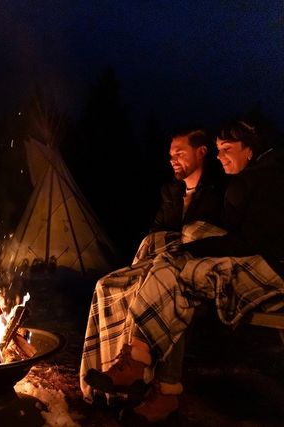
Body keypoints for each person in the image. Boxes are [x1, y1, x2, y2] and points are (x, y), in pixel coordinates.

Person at [84, 117, 284, 422]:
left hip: (265, 268)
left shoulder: (245, 183)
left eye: (226, 149)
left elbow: (244, 240)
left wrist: (191, 247)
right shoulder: (178, 190)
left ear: (249, 149)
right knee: (117, 282)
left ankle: (156, 385)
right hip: (209, 260)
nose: (221, 156)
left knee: (174, 282)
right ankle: (126, 371)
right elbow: (161, 231)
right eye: (219, 150)